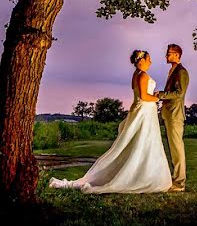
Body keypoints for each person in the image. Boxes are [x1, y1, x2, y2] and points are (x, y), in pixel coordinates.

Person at [48, 50, 172, 193]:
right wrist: (158, 98)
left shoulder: (136, 74)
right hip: (144, 111)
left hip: (142, 111)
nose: (151, 62)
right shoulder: (142, 75)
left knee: (141, 142)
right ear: (141, 60)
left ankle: (142, 173)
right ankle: (141, 176)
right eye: (149, 59)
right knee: (143, 141)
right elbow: (144, 96)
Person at [155, 43, 189, 192]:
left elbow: (179, 93)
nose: (166, 56)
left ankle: (180, 183)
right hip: (169, 114)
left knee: (177, 149)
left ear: (177, 54)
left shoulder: (182, 72)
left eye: (169, 53)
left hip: (175, 115)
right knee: (173, 148)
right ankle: (176, 179)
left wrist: (161, 95)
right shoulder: (172, 71)